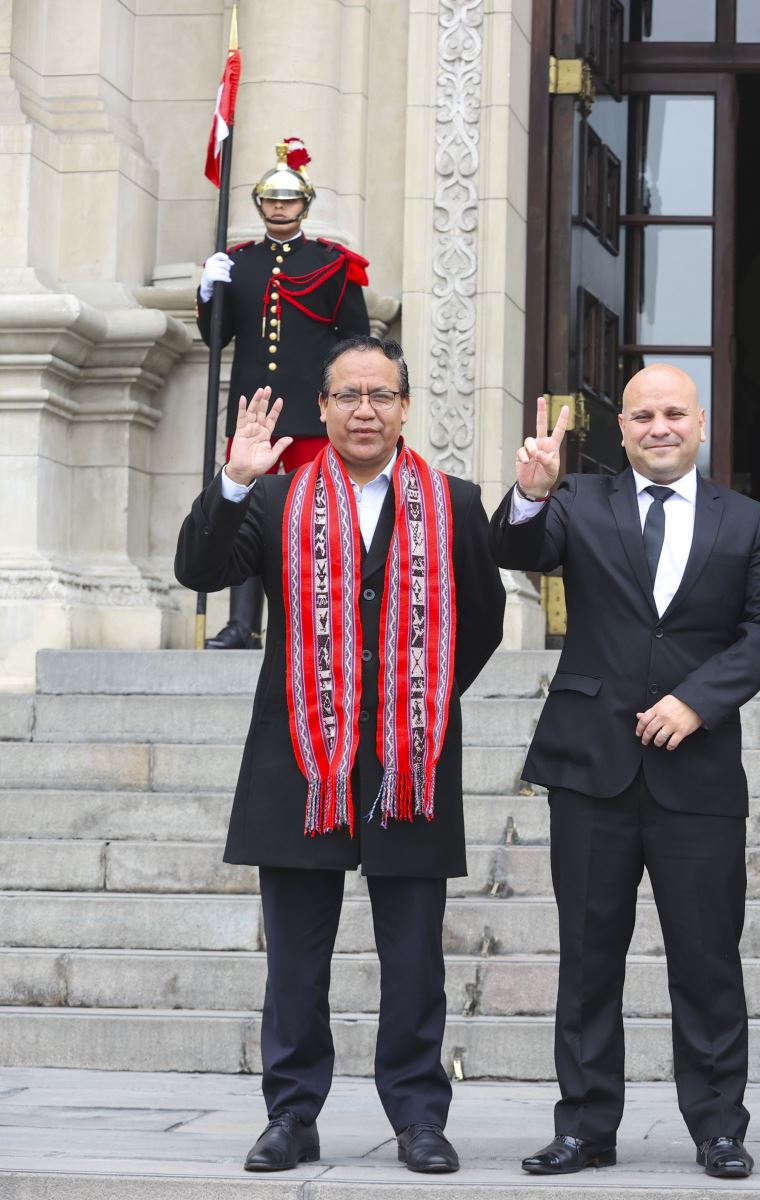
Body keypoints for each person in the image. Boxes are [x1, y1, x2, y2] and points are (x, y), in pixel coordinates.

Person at [173, 335, 505, 1175]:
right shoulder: (277, 497)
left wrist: (413, 702)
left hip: (409, 766)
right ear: (323, 408)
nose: (365, 409)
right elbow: (199, 569)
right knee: (294, 960)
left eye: (381, 395)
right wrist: (234, 480)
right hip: (300, 763)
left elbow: (483, 620)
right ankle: (292, 1113)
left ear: (404, 409)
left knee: (415, 959)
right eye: (349, 395)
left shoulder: (454, 500)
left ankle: (419, 1117)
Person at [492, 367, 760, 1179]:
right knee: (588, 960)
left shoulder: (749, 521)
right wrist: (527, 494)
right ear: (621, 429)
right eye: (642, 416)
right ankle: (585, 1129)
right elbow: (518, 550)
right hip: (591, 766)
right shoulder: (579, 503)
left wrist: (697, 702)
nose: (659, 427)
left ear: (701, 423)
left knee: (707, 961)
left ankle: (718, 1129)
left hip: (697, 773)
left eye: (674, 413)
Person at [196, 137, 372, 650]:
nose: (279, 207)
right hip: (253, 416)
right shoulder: (238, 263)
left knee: (313, 517)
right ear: (259, 204)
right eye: (271, 200)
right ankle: (241, 624)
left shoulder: (332, 264)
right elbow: (216, 338)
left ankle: (305, 621)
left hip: (310, 415)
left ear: (304, 205)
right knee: (240, 511)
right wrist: (208, 294)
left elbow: (357, 344)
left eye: (288, 200)